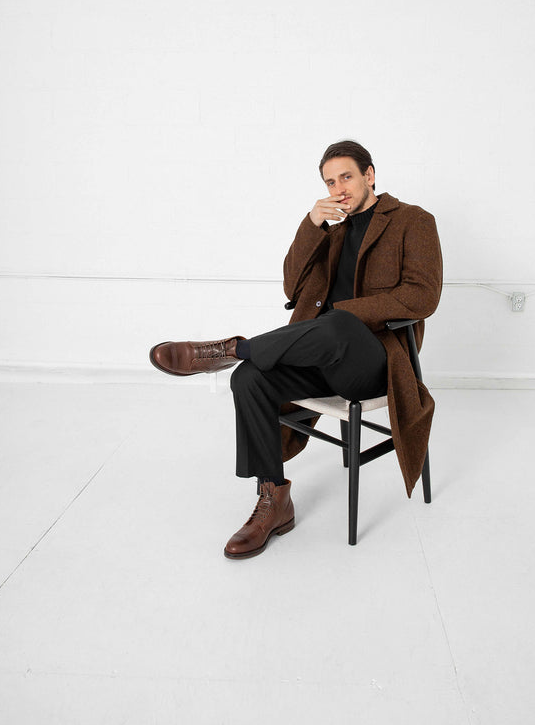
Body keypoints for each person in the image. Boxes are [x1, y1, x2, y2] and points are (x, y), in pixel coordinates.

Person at [150, 140, 442, 559]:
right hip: (321, 356)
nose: (338, 188)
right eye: (330, 182)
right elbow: (292, 287)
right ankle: (274, 500)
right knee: (249, 378)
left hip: (375, 363)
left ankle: (233, 347)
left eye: (346, 177)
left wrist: (346, 314)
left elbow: (422, 295)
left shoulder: (413, 220)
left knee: (339, 322)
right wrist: (311, 225)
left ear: (370, 175)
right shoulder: (331, 230)